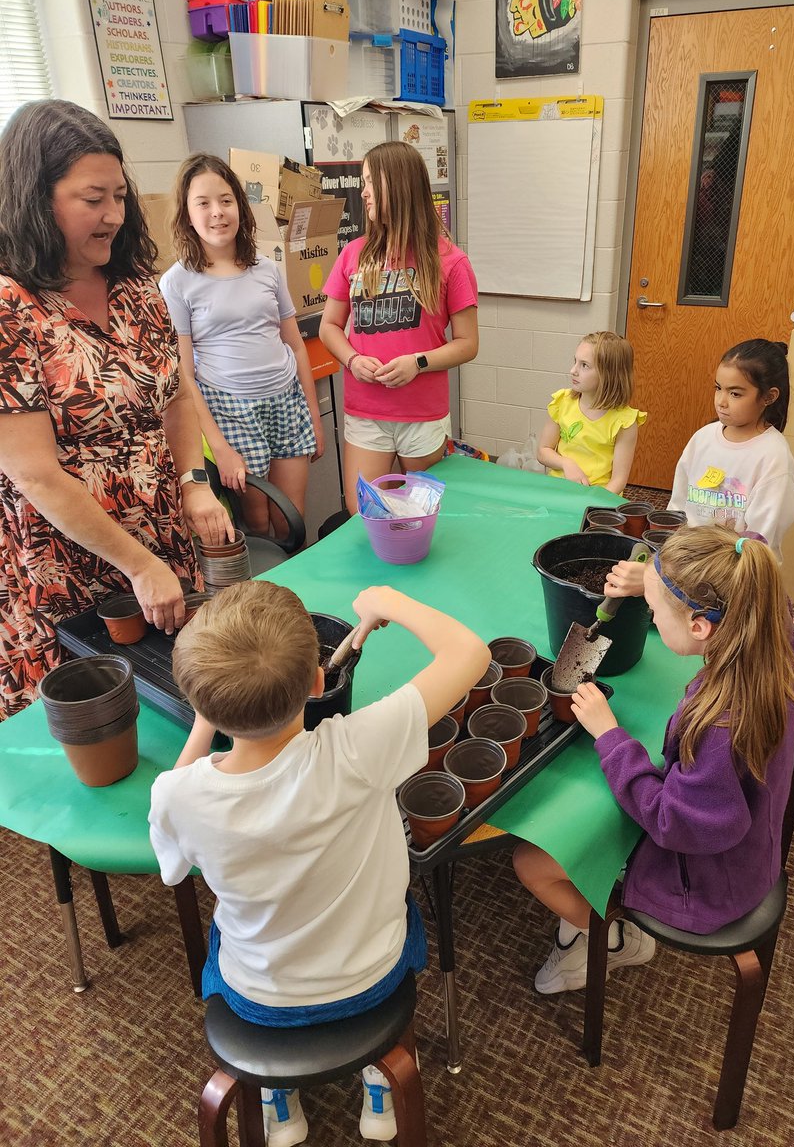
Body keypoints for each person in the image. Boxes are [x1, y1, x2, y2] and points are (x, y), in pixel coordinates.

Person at [148, 580, 490, 1145]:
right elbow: (470, 653)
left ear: (197, 700)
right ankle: (380, 1086)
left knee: (221, 938)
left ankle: (278, 1099)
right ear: (316, 683)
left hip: (259, 1001)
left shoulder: (175, 796)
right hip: (371, 982)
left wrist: (206, 719)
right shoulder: (358, 747)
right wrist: (388, 602)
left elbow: (173, 871)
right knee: (403, 909)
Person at [0, 100, 231, 720]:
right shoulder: (11, 309)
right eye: (92, 198)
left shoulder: (135, 289)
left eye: (120, 197)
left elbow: (176, 396)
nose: (113, 216)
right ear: (34, 199)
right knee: (93, 724)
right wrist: (137, 564)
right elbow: (34, 473)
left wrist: (194, 482)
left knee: (175, 702)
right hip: (68, 565)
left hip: (159, 540)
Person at [514, 525, 794, 994]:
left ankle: (612, 941)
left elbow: (675, 821)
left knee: (531, 861)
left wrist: (611, 737)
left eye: (652, 611)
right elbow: (749, 551)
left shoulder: (719, 724)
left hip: (706, 878)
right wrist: (652, 573)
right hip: (749, 846)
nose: (648, 615)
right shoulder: (781, 642)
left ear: (699, 626)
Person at [159, 154, 324, 534]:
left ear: (240, 206)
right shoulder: (177, 282)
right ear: (186, 213)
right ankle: (261, 596)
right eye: (203, 203)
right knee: (258, 524)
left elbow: (296, 346)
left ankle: (290, 595)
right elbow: (186, 375)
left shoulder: (266, 268)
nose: (217, 212)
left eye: (226, 200)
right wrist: (218, 447)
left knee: (291, 521)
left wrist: (313, 417)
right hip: (230, 410)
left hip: (286, 400)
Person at [319, 141, 479, 514]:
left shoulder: (450, 261)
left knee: (424, 516)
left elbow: (468, 344)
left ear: (399, 184)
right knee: (366, 516)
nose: (364, 191)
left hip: (422, 415)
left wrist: (417, 363)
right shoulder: (353, 254)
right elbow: (329, 326)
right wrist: (352, 359)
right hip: (366, 412)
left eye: (371, 181)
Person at [604, 338, 794, 603]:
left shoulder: (773, 457)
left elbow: (757, 547)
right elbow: (677, 511)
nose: (721, 401)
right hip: (686, 569)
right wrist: (666, 565)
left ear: (769, 396)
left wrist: (663, 578)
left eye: (736, 393)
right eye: (718, 388)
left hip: (736, 583)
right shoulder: (703, 438)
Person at [536, 331, 646, 493]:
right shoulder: (562, 402)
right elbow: (543, 451)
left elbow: (618, 481)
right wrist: (566, 464)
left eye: (584, 365)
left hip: (599, 498)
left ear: (608, 375)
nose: (573, 370)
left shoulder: (625, 421)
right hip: (558, 490)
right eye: (575, 361)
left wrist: (593, 505)